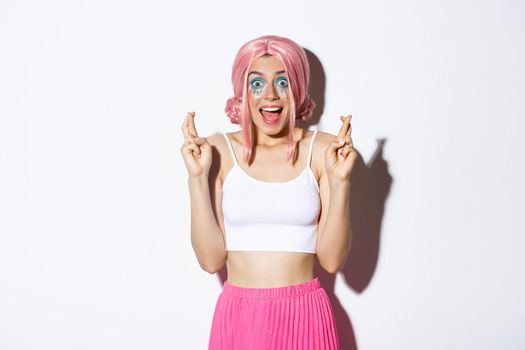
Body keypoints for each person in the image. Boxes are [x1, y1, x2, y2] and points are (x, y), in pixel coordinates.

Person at [180, 35, 357, 350]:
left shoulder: (323, 150)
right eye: (257, 84)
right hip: (240, 316)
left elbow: (331, 261)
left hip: (305, 316)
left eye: (284, 82)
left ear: (298, 89)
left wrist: (341, 181)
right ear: (242, 92)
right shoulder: (218, 150)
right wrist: (196, 177)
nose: (271, 96)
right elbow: (210, 260)